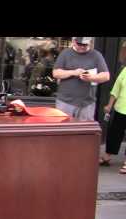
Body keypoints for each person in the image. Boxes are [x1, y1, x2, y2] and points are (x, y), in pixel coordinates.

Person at [53, 37, 110, 121]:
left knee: (84, 131)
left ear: (90, 42)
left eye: (85, 44)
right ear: (74, 41)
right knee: (63, 130)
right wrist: (73, 72)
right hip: (65, 102)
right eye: (80, 44)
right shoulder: (65, 53)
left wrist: (91, 77)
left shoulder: (96, 55)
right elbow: (56, 73)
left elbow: (106, 76)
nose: (82, 47)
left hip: (87, 103)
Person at [99, 41, 126, 174]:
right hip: (121, 109)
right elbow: (116, 89)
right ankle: (108, 156)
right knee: (114, 133)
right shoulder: (125, 70)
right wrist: (109, 105)